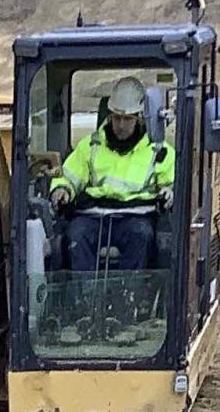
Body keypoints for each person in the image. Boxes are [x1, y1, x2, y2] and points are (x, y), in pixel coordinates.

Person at [50, 77, 174, 276]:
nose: (121, 125)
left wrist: (168, 191)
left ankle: (129, 298)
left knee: (142, 236)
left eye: (128, 119)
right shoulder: (91, 146)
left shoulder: (158, 151)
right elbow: (69, 175)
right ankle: (83, 298)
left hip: (136, 217)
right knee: (75, 236)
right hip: (93, 215)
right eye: (116, 118)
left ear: (140, 118)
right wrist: (62, 189)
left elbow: (170, 182)